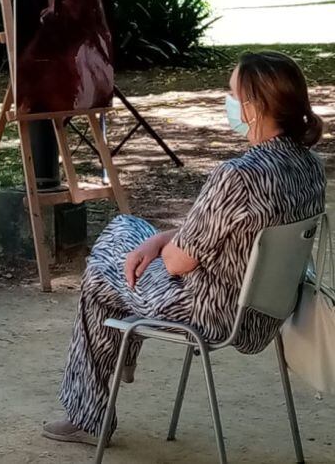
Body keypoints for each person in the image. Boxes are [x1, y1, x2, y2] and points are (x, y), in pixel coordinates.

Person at [43, 51, 326, 446]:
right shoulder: (309, 167)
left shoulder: (237, 176)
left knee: (105, 260)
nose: (227, 103)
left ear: (255, 106)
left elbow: (178, 263)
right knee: (131, 231)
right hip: (267, 311)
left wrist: (163, 248)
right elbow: (216, 237)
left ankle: (90, 413)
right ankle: (116, 361)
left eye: (231, 94)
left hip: (208, 311)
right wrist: (158, 240)